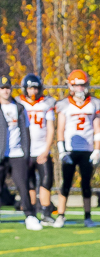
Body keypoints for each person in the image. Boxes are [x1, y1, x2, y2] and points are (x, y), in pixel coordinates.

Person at [54, 69, 100, 228]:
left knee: (86, 184)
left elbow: (97, 129)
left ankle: (88, 217)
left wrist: (97, 149)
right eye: (78, 85)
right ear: (71, 86)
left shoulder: (94, 104)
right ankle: (61, 215)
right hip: (70, 149)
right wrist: (61, 150)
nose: (81, 88)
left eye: (83, 85)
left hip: (87, 149)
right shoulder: (64, 105)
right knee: (66, 183)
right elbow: (60, 129)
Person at [0, 75, 39, 230]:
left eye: (7, 88)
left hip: (17, 154)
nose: (5, 91)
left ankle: (30, 216)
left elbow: (26, 131)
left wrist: (26, 153)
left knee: (23, 185)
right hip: (1, 155)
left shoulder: (19, 107)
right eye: (2, 88)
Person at [17, 74, 56, 225]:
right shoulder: (19, 103)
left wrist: (46, 150)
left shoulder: (47, 103)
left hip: (42, 149)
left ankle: (46, 212)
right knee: (29, 183)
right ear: (25, 89)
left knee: (46, 181)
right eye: (30, 88)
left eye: (35, 88)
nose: (33, 91)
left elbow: (51, 128)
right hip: (24, 151)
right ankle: (31, 212)